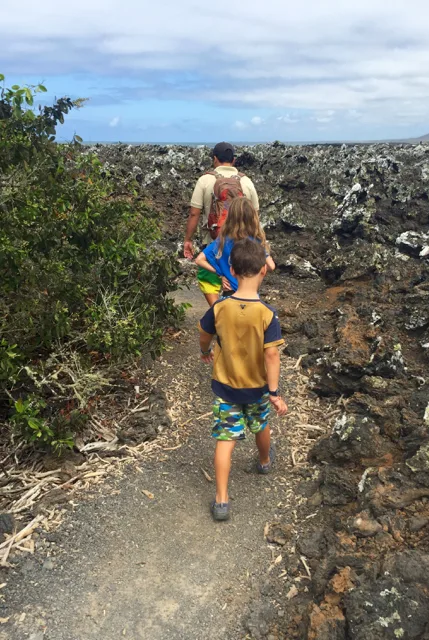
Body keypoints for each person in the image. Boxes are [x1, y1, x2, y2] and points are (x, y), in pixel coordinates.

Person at [198, 238, 288, 521]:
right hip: (257, 388)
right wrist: (274, 393)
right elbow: (271, 355)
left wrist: (205, 351)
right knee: (261, 425)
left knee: (225, 440)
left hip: (226, 388)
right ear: (263, 270)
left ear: (233, 271)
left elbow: (204, 333)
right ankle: (264, 461)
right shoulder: (267, 314)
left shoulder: (219, 308)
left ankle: (221, 500)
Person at [184, 142, 260, 306]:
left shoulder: (205, 180)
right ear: (234, 160)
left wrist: (188, 240)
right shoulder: (246, 182)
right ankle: (237, 312)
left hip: (214, 241)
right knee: (238, 281)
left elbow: (194, 213)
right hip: (242, 244)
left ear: (215, 159)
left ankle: (217, 312)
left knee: (208, 280)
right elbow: (255, 215)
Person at [194, 197, 275, 304]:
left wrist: (220, 273)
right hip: (250, 297)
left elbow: (199, 260)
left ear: (230, 217)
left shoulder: (222, 240)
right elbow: (271, 266)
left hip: (228, 296)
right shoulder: (254, 241)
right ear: (252, 217)